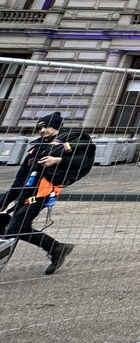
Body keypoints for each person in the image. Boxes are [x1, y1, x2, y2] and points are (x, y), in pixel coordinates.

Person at [0, 112, 90, 275]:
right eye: (40, 127)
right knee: (16, 226)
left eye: (46, 126)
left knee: (15, 227)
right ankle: (56, 248)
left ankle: (56, 248)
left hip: (42, 193)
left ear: (55, 127)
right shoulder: (36, 149)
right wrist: (6, 200)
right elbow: (21, 177)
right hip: (25, 192)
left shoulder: (69, 142)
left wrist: (58, 160)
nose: (42, 130)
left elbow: (83, 161)